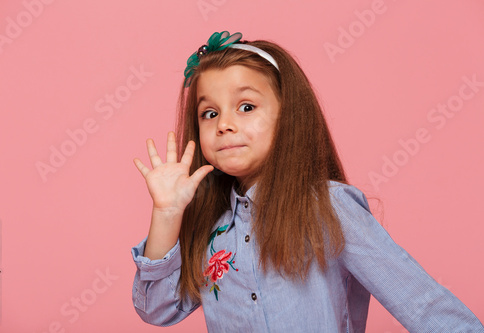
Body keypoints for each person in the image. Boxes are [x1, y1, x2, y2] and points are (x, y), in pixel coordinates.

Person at [131, 31, 483, 332]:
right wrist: (167, 213)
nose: (224, 124)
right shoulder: (210, 226)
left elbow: (420, 302)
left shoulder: (328, 208)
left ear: (289, 116)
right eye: (210, 113)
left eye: (247, 107)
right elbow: (158, 310)